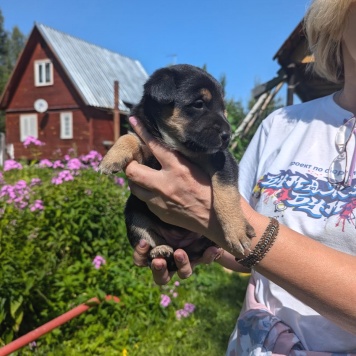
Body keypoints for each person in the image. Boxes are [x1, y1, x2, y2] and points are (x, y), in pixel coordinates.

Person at [124, 0, 356, 353]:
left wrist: (208, 216)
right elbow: (239, 248)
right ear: (339, 18)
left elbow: (236, 226)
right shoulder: (281, 125)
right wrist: (196, 241)